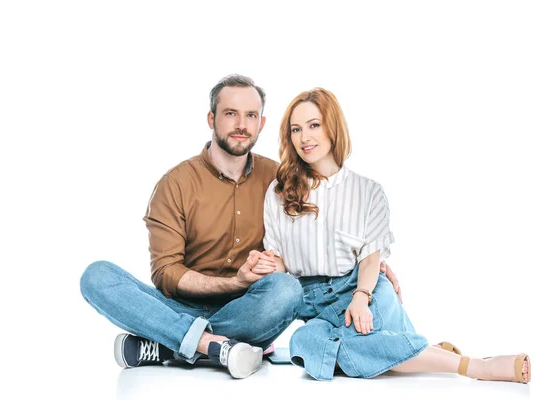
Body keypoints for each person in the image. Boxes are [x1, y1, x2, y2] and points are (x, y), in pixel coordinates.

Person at [79, 73, 399, 379]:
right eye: (231, 113)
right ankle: (211, 346)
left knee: (286, 290)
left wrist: (367, 264)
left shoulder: (280, 180)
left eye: (250, 115)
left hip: (251, 311)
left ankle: (169, 344)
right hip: (177, 306)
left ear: (261, 123)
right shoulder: (174, 184)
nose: (241, 125)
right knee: (96, 275)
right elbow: (165, 274)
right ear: (211, 119)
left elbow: (324, 232)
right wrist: (235, 281)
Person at [262, 87, 531, 383]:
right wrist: (260, 265)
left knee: (346, 343)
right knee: (302, 344)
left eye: (314, 125)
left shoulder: (368, 192)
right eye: (296, 129)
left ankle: (474, 366)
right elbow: (280, 264)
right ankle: (426, 354)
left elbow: (369, 260)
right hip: (314, 304)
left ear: (332, 127)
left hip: (360, 286)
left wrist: (361, 297)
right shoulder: (279, 193)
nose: (304, 138)